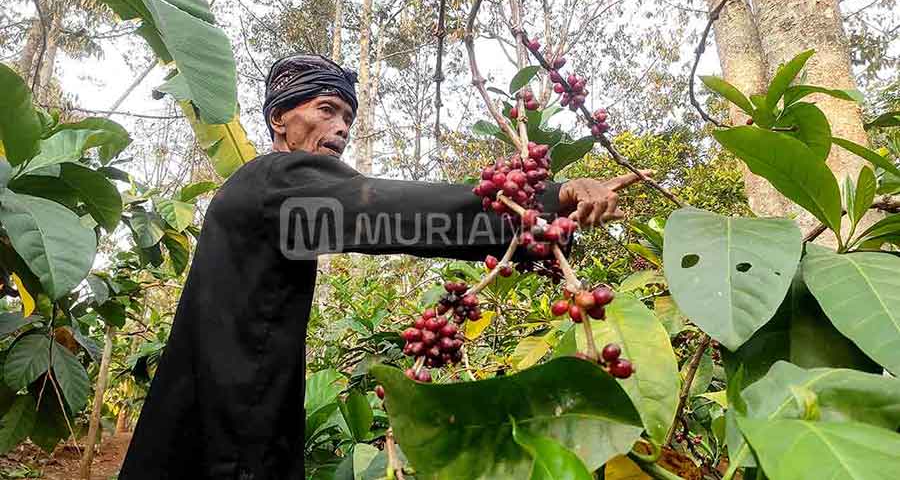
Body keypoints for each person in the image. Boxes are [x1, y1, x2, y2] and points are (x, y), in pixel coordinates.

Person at [119, 54, 648, 479]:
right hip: (230, 434)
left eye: (348, 117)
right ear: (279, 118)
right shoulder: (275, 179)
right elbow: (388, 212)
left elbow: (371, 220)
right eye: (326, 110)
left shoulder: (267, 196)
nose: (341, 127)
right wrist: (545, 203)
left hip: (212, 418)